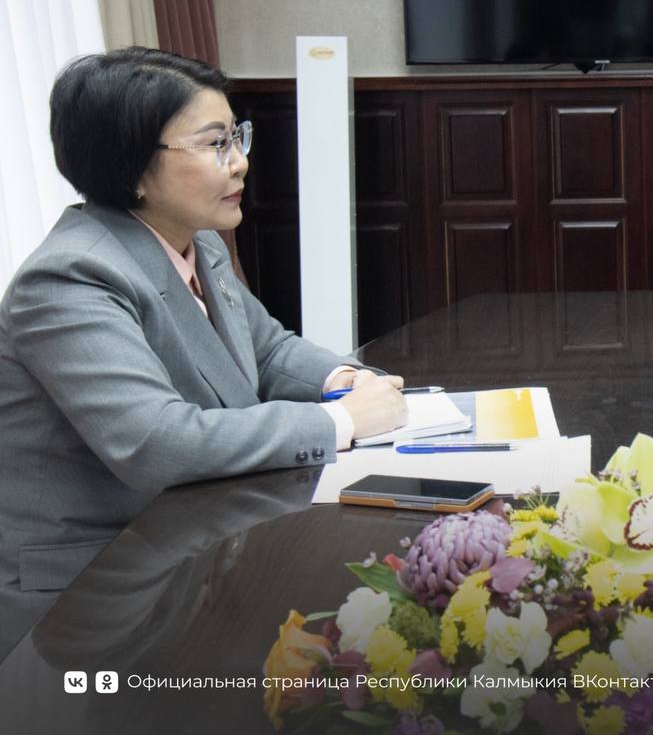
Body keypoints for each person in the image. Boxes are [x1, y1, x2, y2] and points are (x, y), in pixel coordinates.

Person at [0, 48, 409, 657]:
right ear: (132, 167)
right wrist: (342, 421)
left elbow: (267, 352)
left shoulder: (198, 242)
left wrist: (348, 379)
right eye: (216, 144)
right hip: (91, 590)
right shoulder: (70, 278)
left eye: (236, 137)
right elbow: (156, 441)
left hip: (187, 543)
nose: (241, 163)